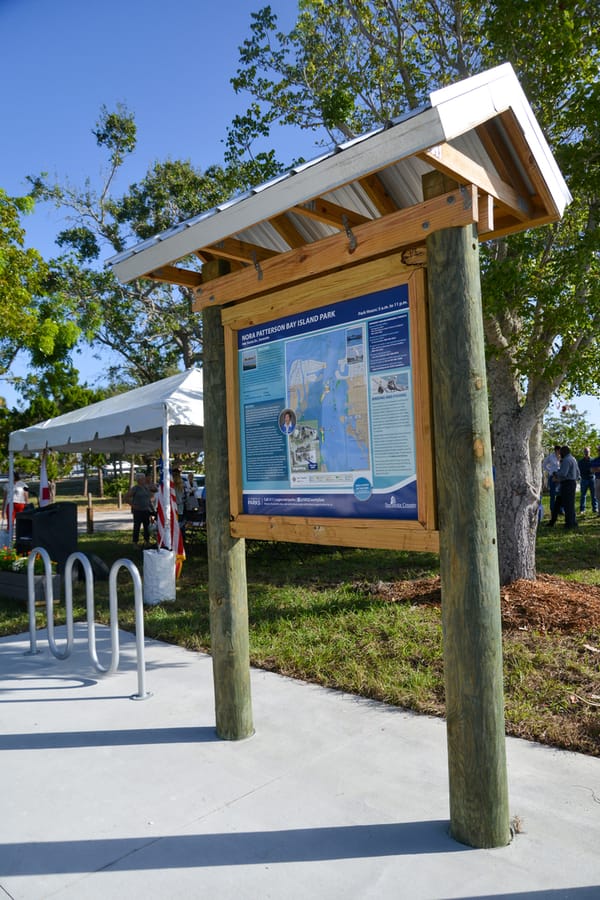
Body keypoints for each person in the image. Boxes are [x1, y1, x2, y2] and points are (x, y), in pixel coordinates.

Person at [546, 446, 580, 529]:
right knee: (559, 503)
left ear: (564, 452)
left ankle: (570, 524)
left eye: (561, 453)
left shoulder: (566, 460)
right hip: (570, 483)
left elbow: (563, 473)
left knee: (568, 505)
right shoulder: (573, 459)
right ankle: (553, 521)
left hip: (567, 484)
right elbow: (578, 473)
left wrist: (555, 474)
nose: (560, 454)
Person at [125, 474, 154, 547]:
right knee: (137, 527)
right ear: (139, 480)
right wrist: (133, 505)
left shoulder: (146, 487)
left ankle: (147, 541)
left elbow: (152, 494)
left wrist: (151, 508)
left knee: (146, 526)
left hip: (146, 510)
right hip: (138, 511)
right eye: (143, 479)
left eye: (144, 478)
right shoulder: (135, 488)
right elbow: (126, 497)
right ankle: (135, 543)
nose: (144, 480)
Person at [542, 445, 562, 516]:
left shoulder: (562, 456)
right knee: (553, 494)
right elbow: (544, 465)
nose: (560, 452)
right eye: (560, 450)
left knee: (560, 494)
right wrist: (550, 471)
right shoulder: (550, 456)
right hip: (552, 477)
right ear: (556, 450)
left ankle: (560, 509)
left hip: (560, 477)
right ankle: (553, 510)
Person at [578, 447, 598, 514]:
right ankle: (582, 509)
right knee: (583, 495)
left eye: (588, 451)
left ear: (590, 452)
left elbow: (595, 469)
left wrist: (591, 470)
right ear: (583, 452)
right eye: (585, 451)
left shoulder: (593, 460)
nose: (586, 453)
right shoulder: (580, 462)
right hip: (584, 479)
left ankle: (595, 508)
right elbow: (579, 471)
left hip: (592, 479)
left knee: (594, 495)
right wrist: (588, 470)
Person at [591, 445, 600, 516]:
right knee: (598, 496)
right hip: (597, 479)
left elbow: (595, 469)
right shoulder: (595, 460)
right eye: (598, 450)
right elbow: (592, 470)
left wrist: (597, 469)